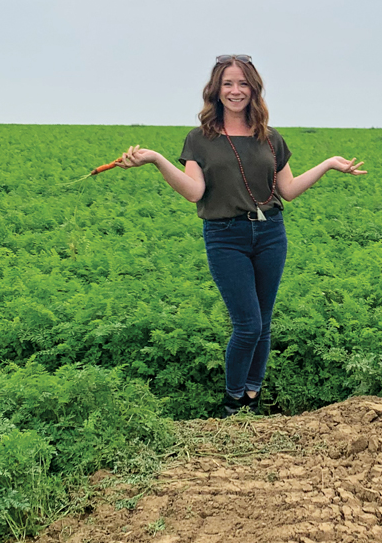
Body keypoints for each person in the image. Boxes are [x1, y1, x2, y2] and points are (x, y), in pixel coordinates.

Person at [115, 54, 366, 417]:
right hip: (225, 236)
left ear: (254, 89)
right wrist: (156, 158)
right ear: (216, 90)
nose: (236, 91)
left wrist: (328, 164)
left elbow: (289, 189)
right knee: (247, 325)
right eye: (228, 83)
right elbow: (193, 192)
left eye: (243, 83)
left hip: (270, 234)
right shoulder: (200, 140)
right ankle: (232, 403)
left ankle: (252, 397)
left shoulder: (270, 139)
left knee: (263, 324)